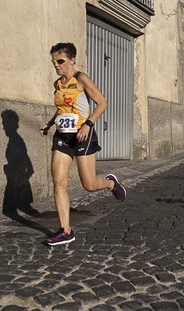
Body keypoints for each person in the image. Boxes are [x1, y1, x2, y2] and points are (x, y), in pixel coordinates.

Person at [40, 42, 126, 246]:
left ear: (71, 60)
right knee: (59, 182)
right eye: (53, 61)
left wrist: (88, 124)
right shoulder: (57, 84)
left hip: (82, 135)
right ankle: (66, 231)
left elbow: (103, 103)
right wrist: (50, 123)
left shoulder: (81, 79)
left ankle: (110, 183)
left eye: (60, 61)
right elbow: (62, 108)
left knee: (88, 184)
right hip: (62, 136)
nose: (56, 65)